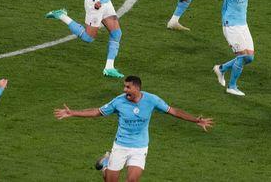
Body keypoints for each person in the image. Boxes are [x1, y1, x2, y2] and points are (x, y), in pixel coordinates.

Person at [54, 75, 213, 182]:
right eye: (124, 87)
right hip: (121, 146)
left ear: (137, 88)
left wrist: (195, 120)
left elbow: (174, 111)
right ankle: (105, 164)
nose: (125, 90)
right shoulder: (118, 101)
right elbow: (97, 111)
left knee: (132, 180)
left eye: (128, 87)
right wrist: (73, 112)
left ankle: (107, 164)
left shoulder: (152, 100)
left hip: (140, 147)